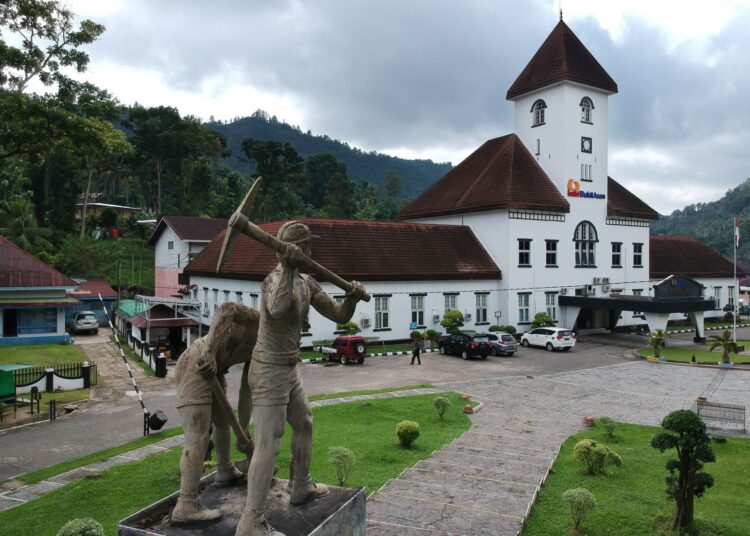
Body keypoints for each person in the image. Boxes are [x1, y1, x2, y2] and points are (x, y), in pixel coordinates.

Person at [236, 221, 367, 536]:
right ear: (299, 248)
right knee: (269, 443)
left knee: (305, 422)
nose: (312, 251)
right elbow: (278, 310)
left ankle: (301, 486)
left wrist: (351, 296)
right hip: (267, 368)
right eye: (308, 246)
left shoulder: (308, 282)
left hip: (289, 367)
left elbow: (337, 314)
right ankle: (250, 521)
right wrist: (289, 268)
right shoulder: (273, 281)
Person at [171, 302, 259, 523]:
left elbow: (245, 390)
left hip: (217, 370)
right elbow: (227, 309)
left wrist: (244, 431)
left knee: (223, 425)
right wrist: (209, 352)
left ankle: (225, 470)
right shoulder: (260, 320)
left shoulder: (266, 345)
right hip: (198, 362)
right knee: (198, 435)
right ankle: (186, 505)